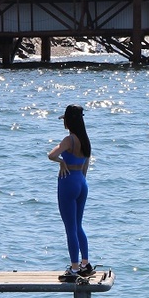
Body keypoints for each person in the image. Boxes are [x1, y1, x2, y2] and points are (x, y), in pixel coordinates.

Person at [48, 104, 93, 280]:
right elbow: (86, 166)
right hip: (82, 182)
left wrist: (61, 162)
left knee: (70, 228)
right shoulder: (85, 140)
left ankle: (74, 269)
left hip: (68, 183)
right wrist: (79, 179)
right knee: (78, 225)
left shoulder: (69, 140)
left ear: (68, 121)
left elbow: (51, 155)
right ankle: (85, 264)